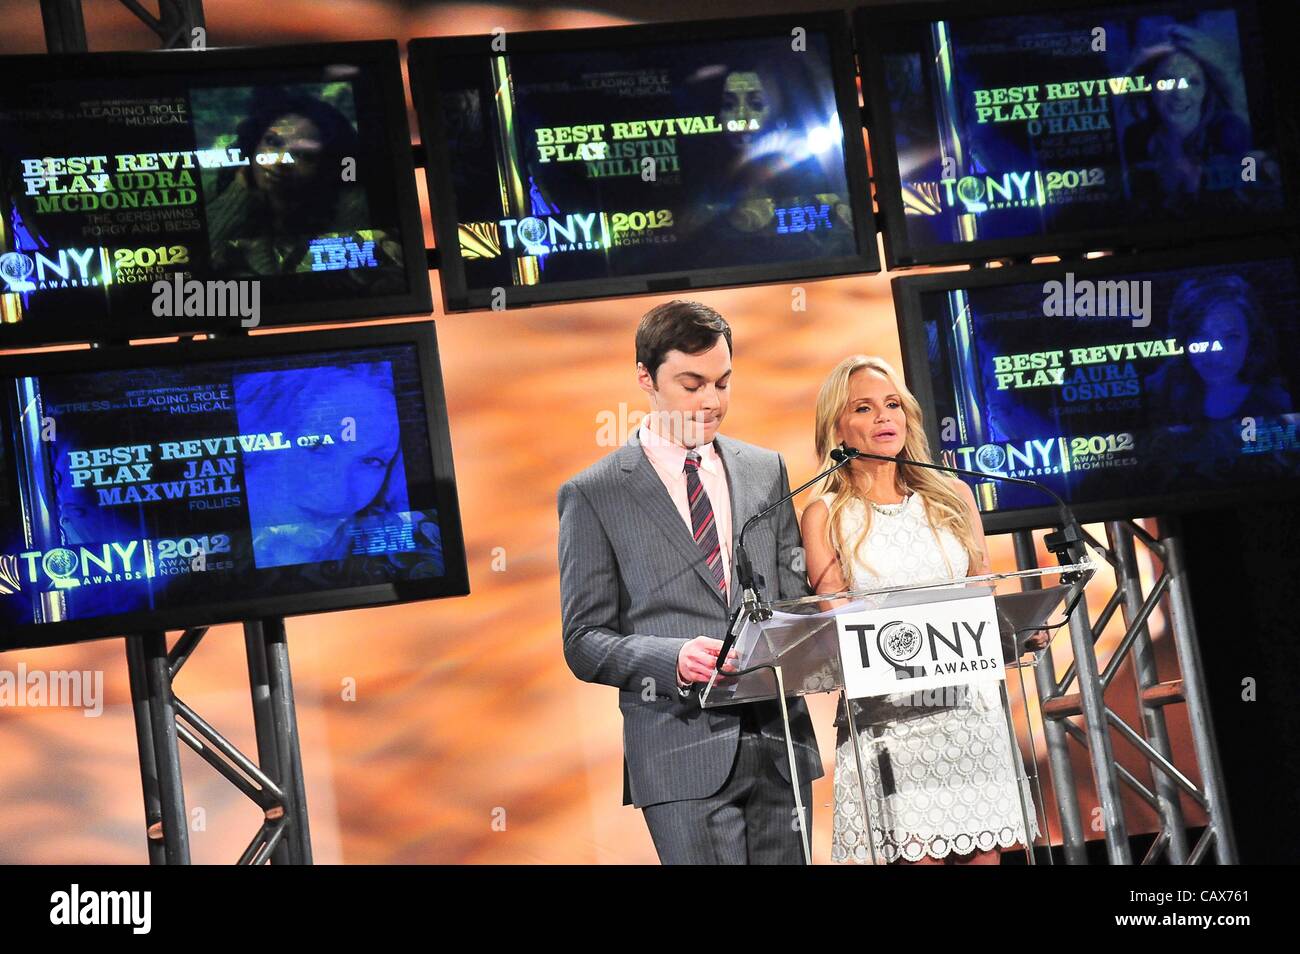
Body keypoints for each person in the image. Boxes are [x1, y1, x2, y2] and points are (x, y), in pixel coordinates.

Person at [557, 299, 822, 864]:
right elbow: (583, 642)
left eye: (723, 382)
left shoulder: (764, 469)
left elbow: (793, 600)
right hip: (680, 748)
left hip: (780, 742)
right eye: (692, 383)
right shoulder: (595, 494)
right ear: (645, 379)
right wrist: (674, 657)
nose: (711, 402)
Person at [800, 354, 1039, 864]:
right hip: (890, 721)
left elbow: (983, 596)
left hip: (970, 710)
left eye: (892, 405)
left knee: (985, 855)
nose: (884, 418)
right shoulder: (825, 515)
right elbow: (836, 622)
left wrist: (1014, 633)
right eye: (863, 408)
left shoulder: (953, 497)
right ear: (838, 429)